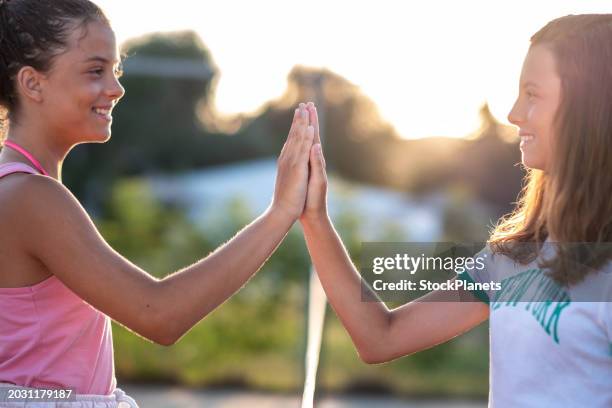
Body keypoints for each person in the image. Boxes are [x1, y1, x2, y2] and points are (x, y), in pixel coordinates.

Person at [0, 0, 318, 406]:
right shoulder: (32, 197)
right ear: (32, 83)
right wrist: (280, 213)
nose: (116, 88)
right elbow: (159, 315)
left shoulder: (20, 188)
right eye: (96, 71)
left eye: (115, 70)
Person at [299, 14, 612, 407]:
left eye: (532, 94)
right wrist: (314, 217)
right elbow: (380, 337)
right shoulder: (512, 258)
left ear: (588, 106)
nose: (514, 113)